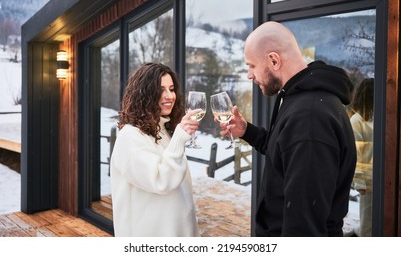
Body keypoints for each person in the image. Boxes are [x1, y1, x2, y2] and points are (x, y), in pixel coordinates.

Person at [218, 21, 357, 236]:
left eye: (251, 65)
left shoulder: (310, 119)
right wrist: (247, 131)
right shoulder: (298, 97)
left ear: (274, 60)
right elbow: (283, 150)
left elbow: (304, 227)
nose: (249, 75)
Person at [110, 62, 200, 237]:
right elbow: (162, 180)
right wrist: (180, 138)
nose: (169, 96)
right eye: (161, 90)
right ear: (144, 94)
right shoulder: (129, 137)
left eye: (172, 89)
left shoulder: (163, 130)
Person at [350, 78, 374, 237]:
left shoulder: (374, 119)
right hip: (369, 183)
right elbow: (356, 155)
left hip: (378, 180)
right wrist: (360, 183)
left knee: (372, 222)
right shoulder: (357, 122)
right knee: (368, 225)